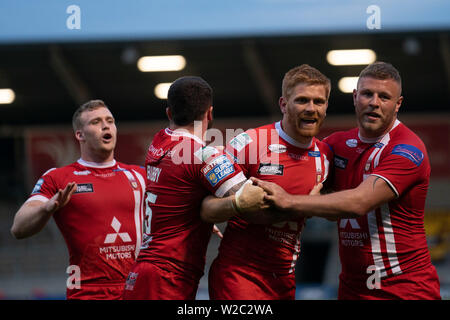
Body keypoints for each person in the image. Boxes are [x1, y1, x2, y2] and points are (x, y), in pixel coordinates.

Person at [253, 62, 441, 300]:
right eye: (367, 94)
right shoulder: (336, 144)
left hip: (404, 289)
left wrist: (288, 201)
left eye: (384, 97)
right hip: (352, 289)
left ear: (398, 105)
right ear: (355, 97)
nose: (374, 102)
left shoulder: (407, 149)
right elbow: (299, 172)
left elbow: (358, 203)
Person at [122, 76, 265, 300]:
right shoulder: (204, 155)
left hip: (143, 273)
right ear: (209, 113)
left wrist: (197, 215)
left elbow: (180, 190)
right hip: (167, 279)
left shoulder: (157, 143)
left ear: (169, 113)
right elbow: (251, 198)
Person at [200, 64, 333, 300]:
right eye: (302, 100)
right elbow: (205, 207)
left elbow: (339, 209)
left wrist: (316, 205)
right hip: (239, 276)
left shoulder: (325, 156)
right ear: (283, 104)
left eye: (318, 102)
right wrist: (240, 204)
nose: (311, 109)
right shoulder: (249, 143)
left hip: (284, 279)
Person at [10, 100, 146, 300]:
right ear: (80, 135)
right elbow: (18, 228)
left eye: (110, 121)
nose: (106, 126)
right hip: (89, 293)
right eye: (96, 122)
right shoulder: (58, 178)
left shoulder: (140, 175)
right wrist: (46, 208)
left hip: (138, 290)